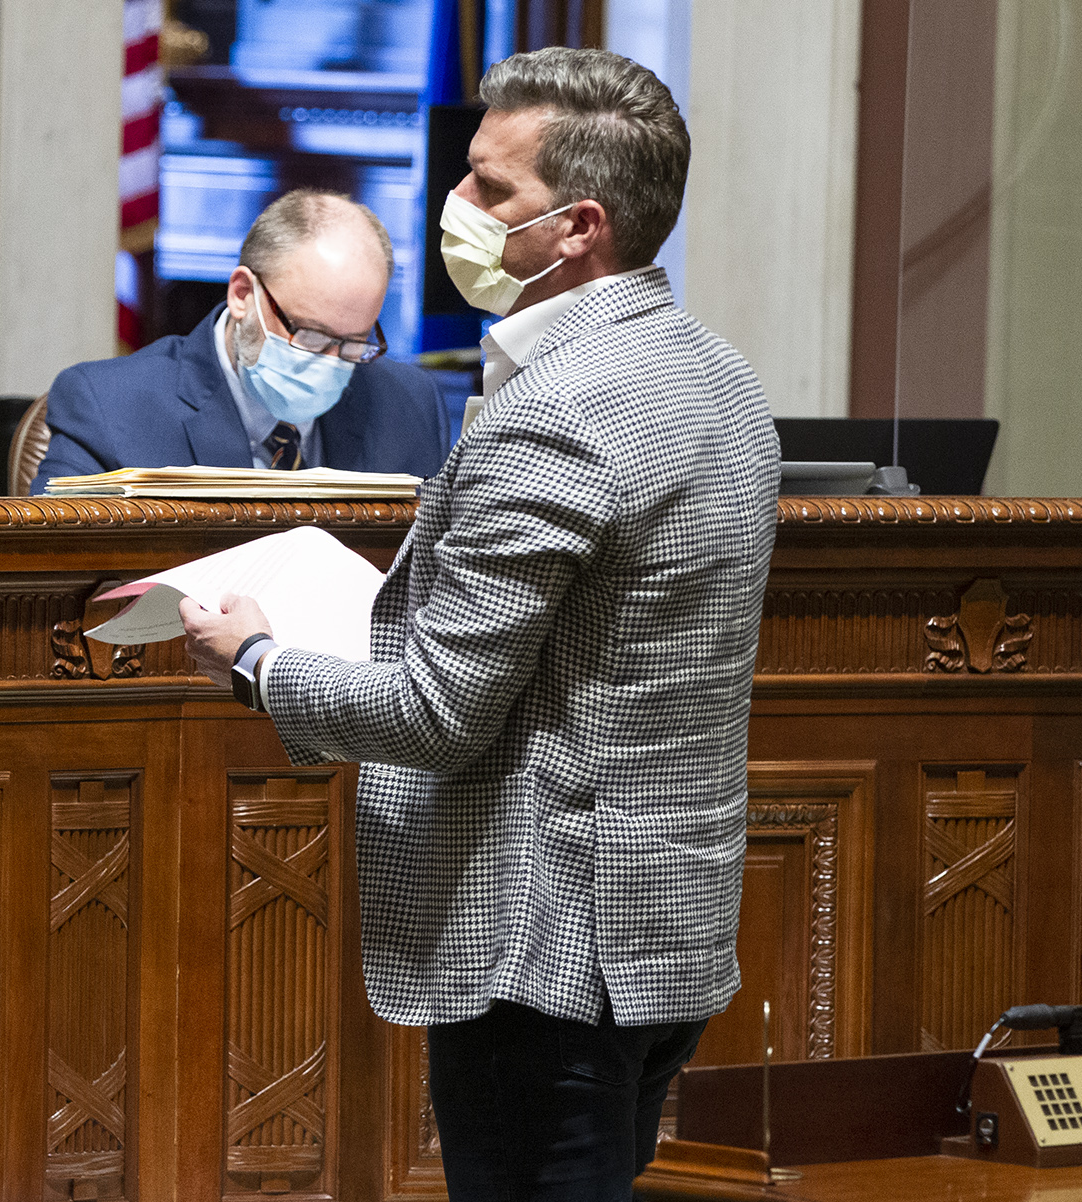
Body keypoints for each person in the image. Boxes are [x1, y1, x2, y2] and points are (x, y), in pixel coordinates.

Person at [180, 48, 779, 1201]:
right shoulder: (719, 374)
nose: (452, 208)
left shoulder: (552, 409)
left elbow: (438, 713)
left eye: (492, 192)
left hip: (541, 944)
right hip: (663, 930)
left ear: (578, 226)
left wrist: (255, 659)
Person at [28, 189, 451, 494]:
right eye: (310, 335)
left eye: (354, 343)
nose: (331, 361)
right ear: (243, 295)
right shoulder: (109, 405)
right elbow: (57, 582)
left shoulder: (409, 406)